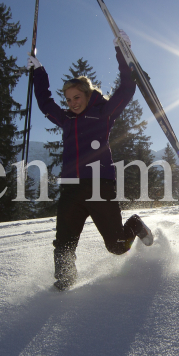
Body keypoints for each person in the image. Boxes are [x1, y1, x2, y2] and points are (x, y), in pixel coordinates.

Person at [29, 33, 154, 290]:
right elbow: (45, 103)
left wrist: (122, 51)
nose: (73, 103)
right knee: (63, 242)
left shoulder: (104, 113)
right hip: (71, 189)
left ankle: (134, 225)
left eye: (77, 97)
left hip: (100, 186)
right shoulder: (65, 119)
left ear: (87, 95)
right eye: (69, 99)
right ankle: (65, 280)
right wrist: (39, 72)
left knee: (117, 246)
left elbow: (127, 89)